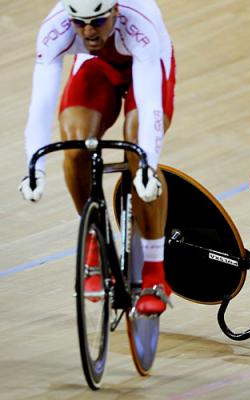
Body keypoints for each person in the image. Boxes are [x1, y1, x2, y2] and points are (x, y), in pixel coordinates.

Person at [18, 0, 175, 316]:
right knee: (75, 146)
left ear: (115, 11)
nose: (88, 31)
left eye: (98, 21)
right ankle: (93, 235)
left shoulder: (140, 22)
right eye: (79, 23)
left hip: (148, 64)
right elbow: (41, 104)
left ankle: (155, 270)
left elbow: (150, 105)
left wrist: (147, 164)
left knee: (137, 147)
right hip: (95, 66)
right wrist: (35, 166)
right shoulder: (55, 28)